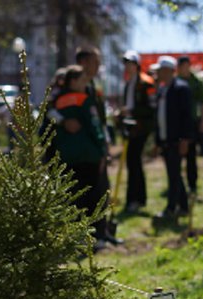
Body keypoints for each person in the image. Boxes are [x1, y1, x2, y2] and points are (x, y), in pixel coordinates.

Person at [49, 65, 107, 250]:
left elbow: (46, 124)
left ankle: (75, 237)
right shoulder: (85, 100)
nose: (86, 83)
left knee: (73, 196)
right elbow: (94, 127)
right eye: (83, 80)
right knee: (93, 196)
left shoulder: (56, 102)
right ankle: (96, 236)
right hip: (88, 155)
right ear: (73, 81)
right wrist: (102, 149)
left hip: (67, 155)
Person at [75, 45, 121, 245]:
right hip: (82, 152)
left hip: (97, 148)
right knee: (86, 194)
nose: (99, 65)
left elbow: (99, 120)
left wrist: (106, 146)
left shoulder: (93, 87)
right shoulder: (72, 84)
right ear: (83, 62)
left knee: (102, 189)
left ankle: (102, 232)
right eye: (95, 61)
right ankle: (88, 235)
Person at [154, 56, 194, 218]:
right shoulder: (163, 90)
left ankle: (171, 208)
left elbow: (187, 116)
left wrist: (185, 139)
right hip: (166, 139)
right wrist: (158, 140)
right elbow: (159, 116)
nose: (157, 74)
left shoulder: (181, 88)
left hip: (177, 141)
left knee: (174, 175)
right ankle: (183, 207)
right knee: (174, 174)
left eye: (160, 71)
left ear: (168, 71)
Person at [121, 50, 156, 212]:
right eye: (126, 64)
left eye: (130, 64)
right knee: (132, 162)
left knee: (134, 161)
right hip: (130, 127)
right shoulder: (128, 84)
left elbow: (151, 108)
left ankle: (136, 199)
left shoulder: (146, 83)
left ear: (137, 65)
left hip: (140, 128)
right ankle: (135, 199)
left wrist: (132, 112)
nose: (128, 67)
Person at [177, 56, 203, 195]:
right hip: (177, 124)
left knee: (191, 155)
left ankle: (192, 183)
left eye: (186, 66)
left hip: (192, 123)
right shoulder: (176, 81)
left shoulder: (196, 82)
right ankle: (177, 185)